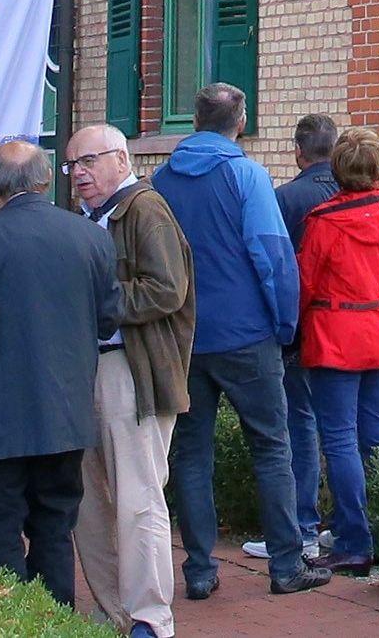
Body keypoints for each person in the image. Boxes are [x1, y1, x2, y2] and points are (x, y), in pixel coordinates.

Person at [149, 82, 324, 598]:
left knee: (191, 453)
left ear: (194, 120)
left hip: (184, 336)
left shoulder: (161, 180)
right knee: (272, 447)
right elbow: (272, 258)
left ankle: (200, 570)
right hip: (247, 334)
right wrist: (285, 326)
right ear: (240, 122)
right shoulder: (247, 175)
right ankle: (286, 566)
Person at [0, 138, 123, 596]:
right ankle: (55, 623)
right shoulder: (91, 236)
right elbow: (109, 318)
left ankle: (13, 623)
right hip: (63, 414)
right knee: (55, 532)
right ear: (44, 181)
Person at [70, 126, 194, 638]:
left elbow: (167, 289)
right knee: (89, 501)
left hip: (131, 369)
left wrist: (95, 302)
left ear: (121, 159)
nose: (78, 173)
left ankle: (149, 617)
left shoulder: (145, 209)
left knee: (138, 497)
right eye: (72, 164)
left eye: (89, 161)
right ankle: (111, 609)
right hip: (89, 368)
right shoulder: (88, 217)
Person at [295, 126, 379, 578]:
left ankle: (354, 540)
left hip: (336, 334)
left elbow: (304, 284)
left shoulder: (324, 221)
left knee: (340, 440)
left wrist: (291, 329)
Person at [266, 112, 342, 564]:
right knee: (346, 427)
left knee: (302, 424)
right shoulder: (360, 195)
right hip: (356, 330)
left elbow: (276, 267)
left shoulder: (284, 199)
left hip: (304, 330)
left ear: (298, 151)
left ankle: (304, 526)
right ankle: (351, 526)